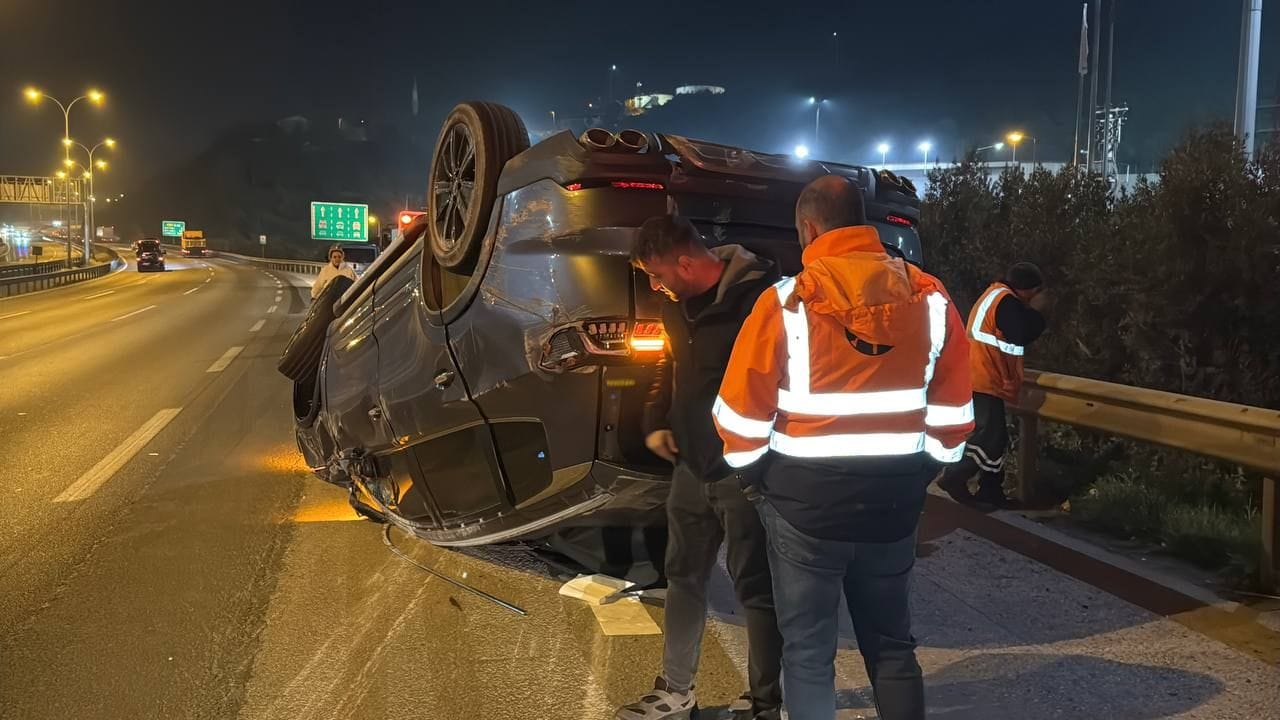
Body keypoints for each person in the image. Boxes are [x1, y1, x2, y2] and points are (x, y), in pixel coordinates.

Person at [712, 176, 975, 720]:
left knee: (808, 653)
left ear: (809, 228)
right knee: (893, 646)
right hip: (894, 507)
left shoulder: (784, 303)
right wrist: (920, 473)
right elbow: (954, 416)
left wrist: (756, 481)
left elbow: (739, 418)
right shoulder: (930, 297)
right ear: (865, 223)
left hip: (802, 506)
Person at [617, 215, 784, 720]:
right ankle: (676, 691)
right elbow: (669, 364)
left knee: (755, 586)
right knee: (682, 576)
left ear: (686, 263)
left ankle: (764, 703)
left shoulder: (763, 301)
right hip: (691, 466)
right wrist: (658, 417)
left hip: (746, 470)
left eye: (657, 274)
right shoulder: (679, 307)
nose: (654, 285)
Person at [937, 262, 1048, 509]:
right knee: (990, 436)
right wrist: (1039, 315)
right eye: (1034, 292)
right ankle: (955, 476)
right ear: (1025, 289)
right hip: (985, 377)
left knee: (996, 437)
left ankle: (991, 490)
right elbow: (1020, 332)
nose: (1035, 297)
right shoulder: (1006, 302)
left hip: (982, 376)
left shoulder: (995, 295)